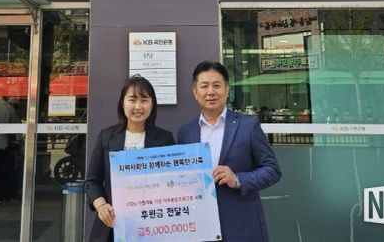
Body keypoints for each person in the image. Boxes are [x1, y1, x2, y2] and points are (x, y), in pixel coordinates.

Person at [178, 61, 281, 242]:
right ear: (195, 92)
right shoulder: (186, 132)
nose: (211, 92)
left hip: (242, 224)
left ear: (227, 90)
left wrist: (238, 179)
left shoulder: (248, 125)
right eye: (204, 86)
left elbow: (273, 170)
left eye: (217, 85)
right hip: (201, 226)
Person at [85, 75, 175, 242]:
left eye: (144, 100)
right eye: (132, 99)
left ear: (152, 104)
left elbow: (173, 184)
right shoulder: (106, 137)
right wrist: (101, 205)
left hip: (152, 227)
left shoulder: (165, 139)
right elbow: (92, 182)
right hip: (112, 227)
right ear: (122, 103)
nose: (138, 106)